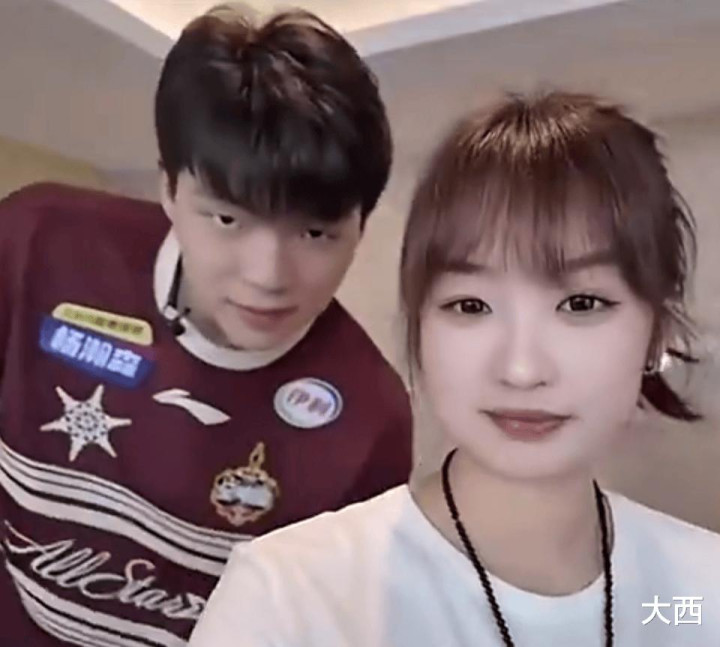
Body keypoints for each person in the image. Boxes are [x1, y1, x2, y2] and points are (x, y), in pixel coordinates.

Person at [188, 91, 720, 646]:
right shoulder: (292, 597)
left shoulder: (702, 593)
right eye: (470, 306)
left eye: (581, 304)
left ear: (656, 330)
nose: (521, 369)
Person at [0, 5, 412, 647]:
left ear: (361, 226)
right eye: (227, 219)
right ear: (169, 188)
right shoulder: (38, 244)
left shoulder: (370, 421)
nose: (267, 276)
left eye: (315, 233)